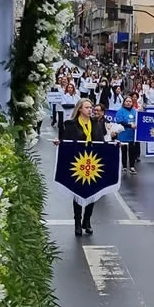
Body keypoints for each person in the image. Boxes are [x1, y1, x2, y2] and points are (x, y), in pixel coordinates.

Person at [54, 99, 110, 237]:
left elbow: (102, 142)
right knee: (77, 193)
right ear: (80, 109)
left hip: (93, 163)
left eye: (91, 107)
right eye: (87, 107)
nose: (90, 110)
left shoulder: (96, 124)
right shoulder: (71, 124)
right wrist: (59, 142)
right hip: (77, 163)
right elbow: (65, 142)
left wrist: (113, 146)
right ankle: (77, 222)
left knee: (92, 192)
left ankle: (87, 220)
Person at [115, 96, 140, 175]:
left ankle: (132, 167)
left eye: (130, 101)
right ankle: (124, 167)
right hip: (123, 135)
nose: (128, 103)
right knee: (124, 152)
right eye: (127, 101)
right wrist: (130, 125)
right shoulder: (120, 111)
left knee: (132, 152)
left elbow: (138, 120)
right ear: (124, 102)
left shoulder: (134, 111)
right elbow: (120, 121)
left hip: (132, 135)